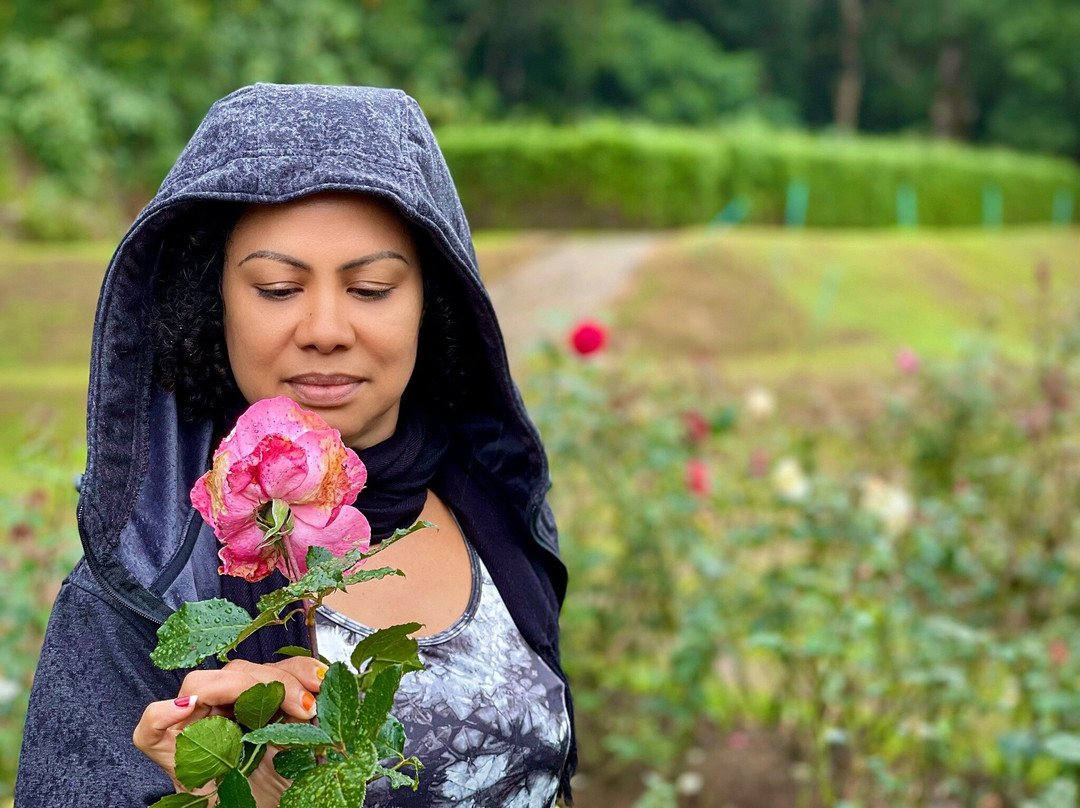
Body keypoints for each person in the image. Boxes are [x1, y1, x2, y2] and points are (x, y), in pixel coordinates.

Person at [14, 84, 575, 807]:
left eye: (371, 288)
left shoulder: (492, 511)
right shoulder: (144, 586)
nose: (325, 328)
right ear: (210, 301)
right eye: (278, 288)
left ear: (431, 307)